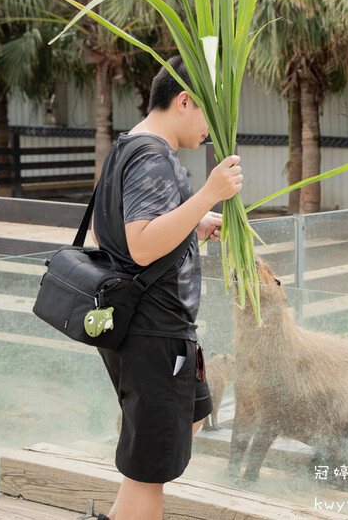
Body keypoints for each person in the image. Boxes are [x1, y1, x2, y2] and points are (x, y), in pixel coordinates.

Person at [89, 56, 243, 520]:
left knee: (190, 413)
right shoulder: (155, 158)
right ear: (184, 101)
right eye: (207, 117)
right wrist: (208, 195)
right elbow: (138, 245)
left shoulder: (126, 146)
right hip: (153, 332)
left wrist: (191, 225)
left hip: (140, 327)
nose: (210, 132)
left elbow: (107, 234)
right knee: (152, 469)